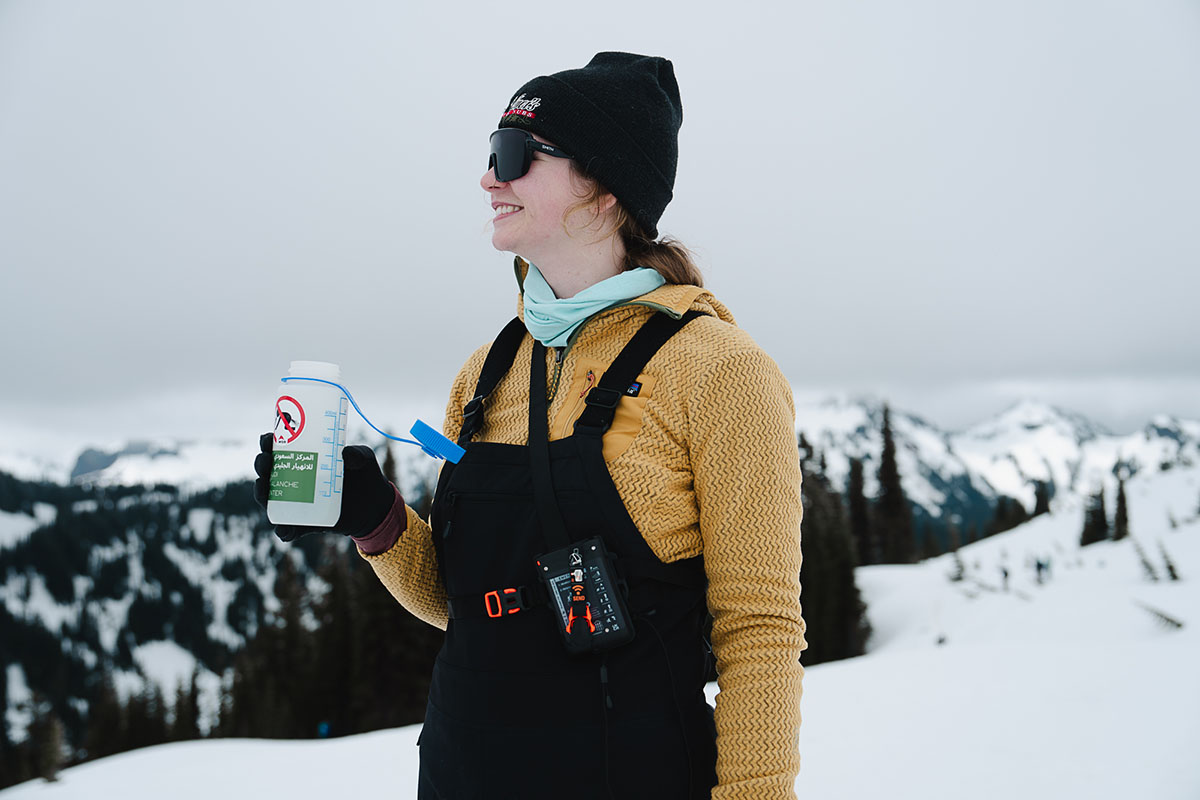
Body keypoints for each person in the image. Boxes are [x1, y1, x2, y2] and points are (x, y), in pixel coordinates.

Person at [255, 52, 806, 800]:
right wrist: (376, 520)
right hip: (460, 774)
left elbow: (760, 631)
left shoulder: (718, 371)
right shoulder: (489, 370)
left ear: (605, 190)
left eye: (515, 155)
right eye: (491, 154)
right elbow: (468, 609)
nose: (490, 178)